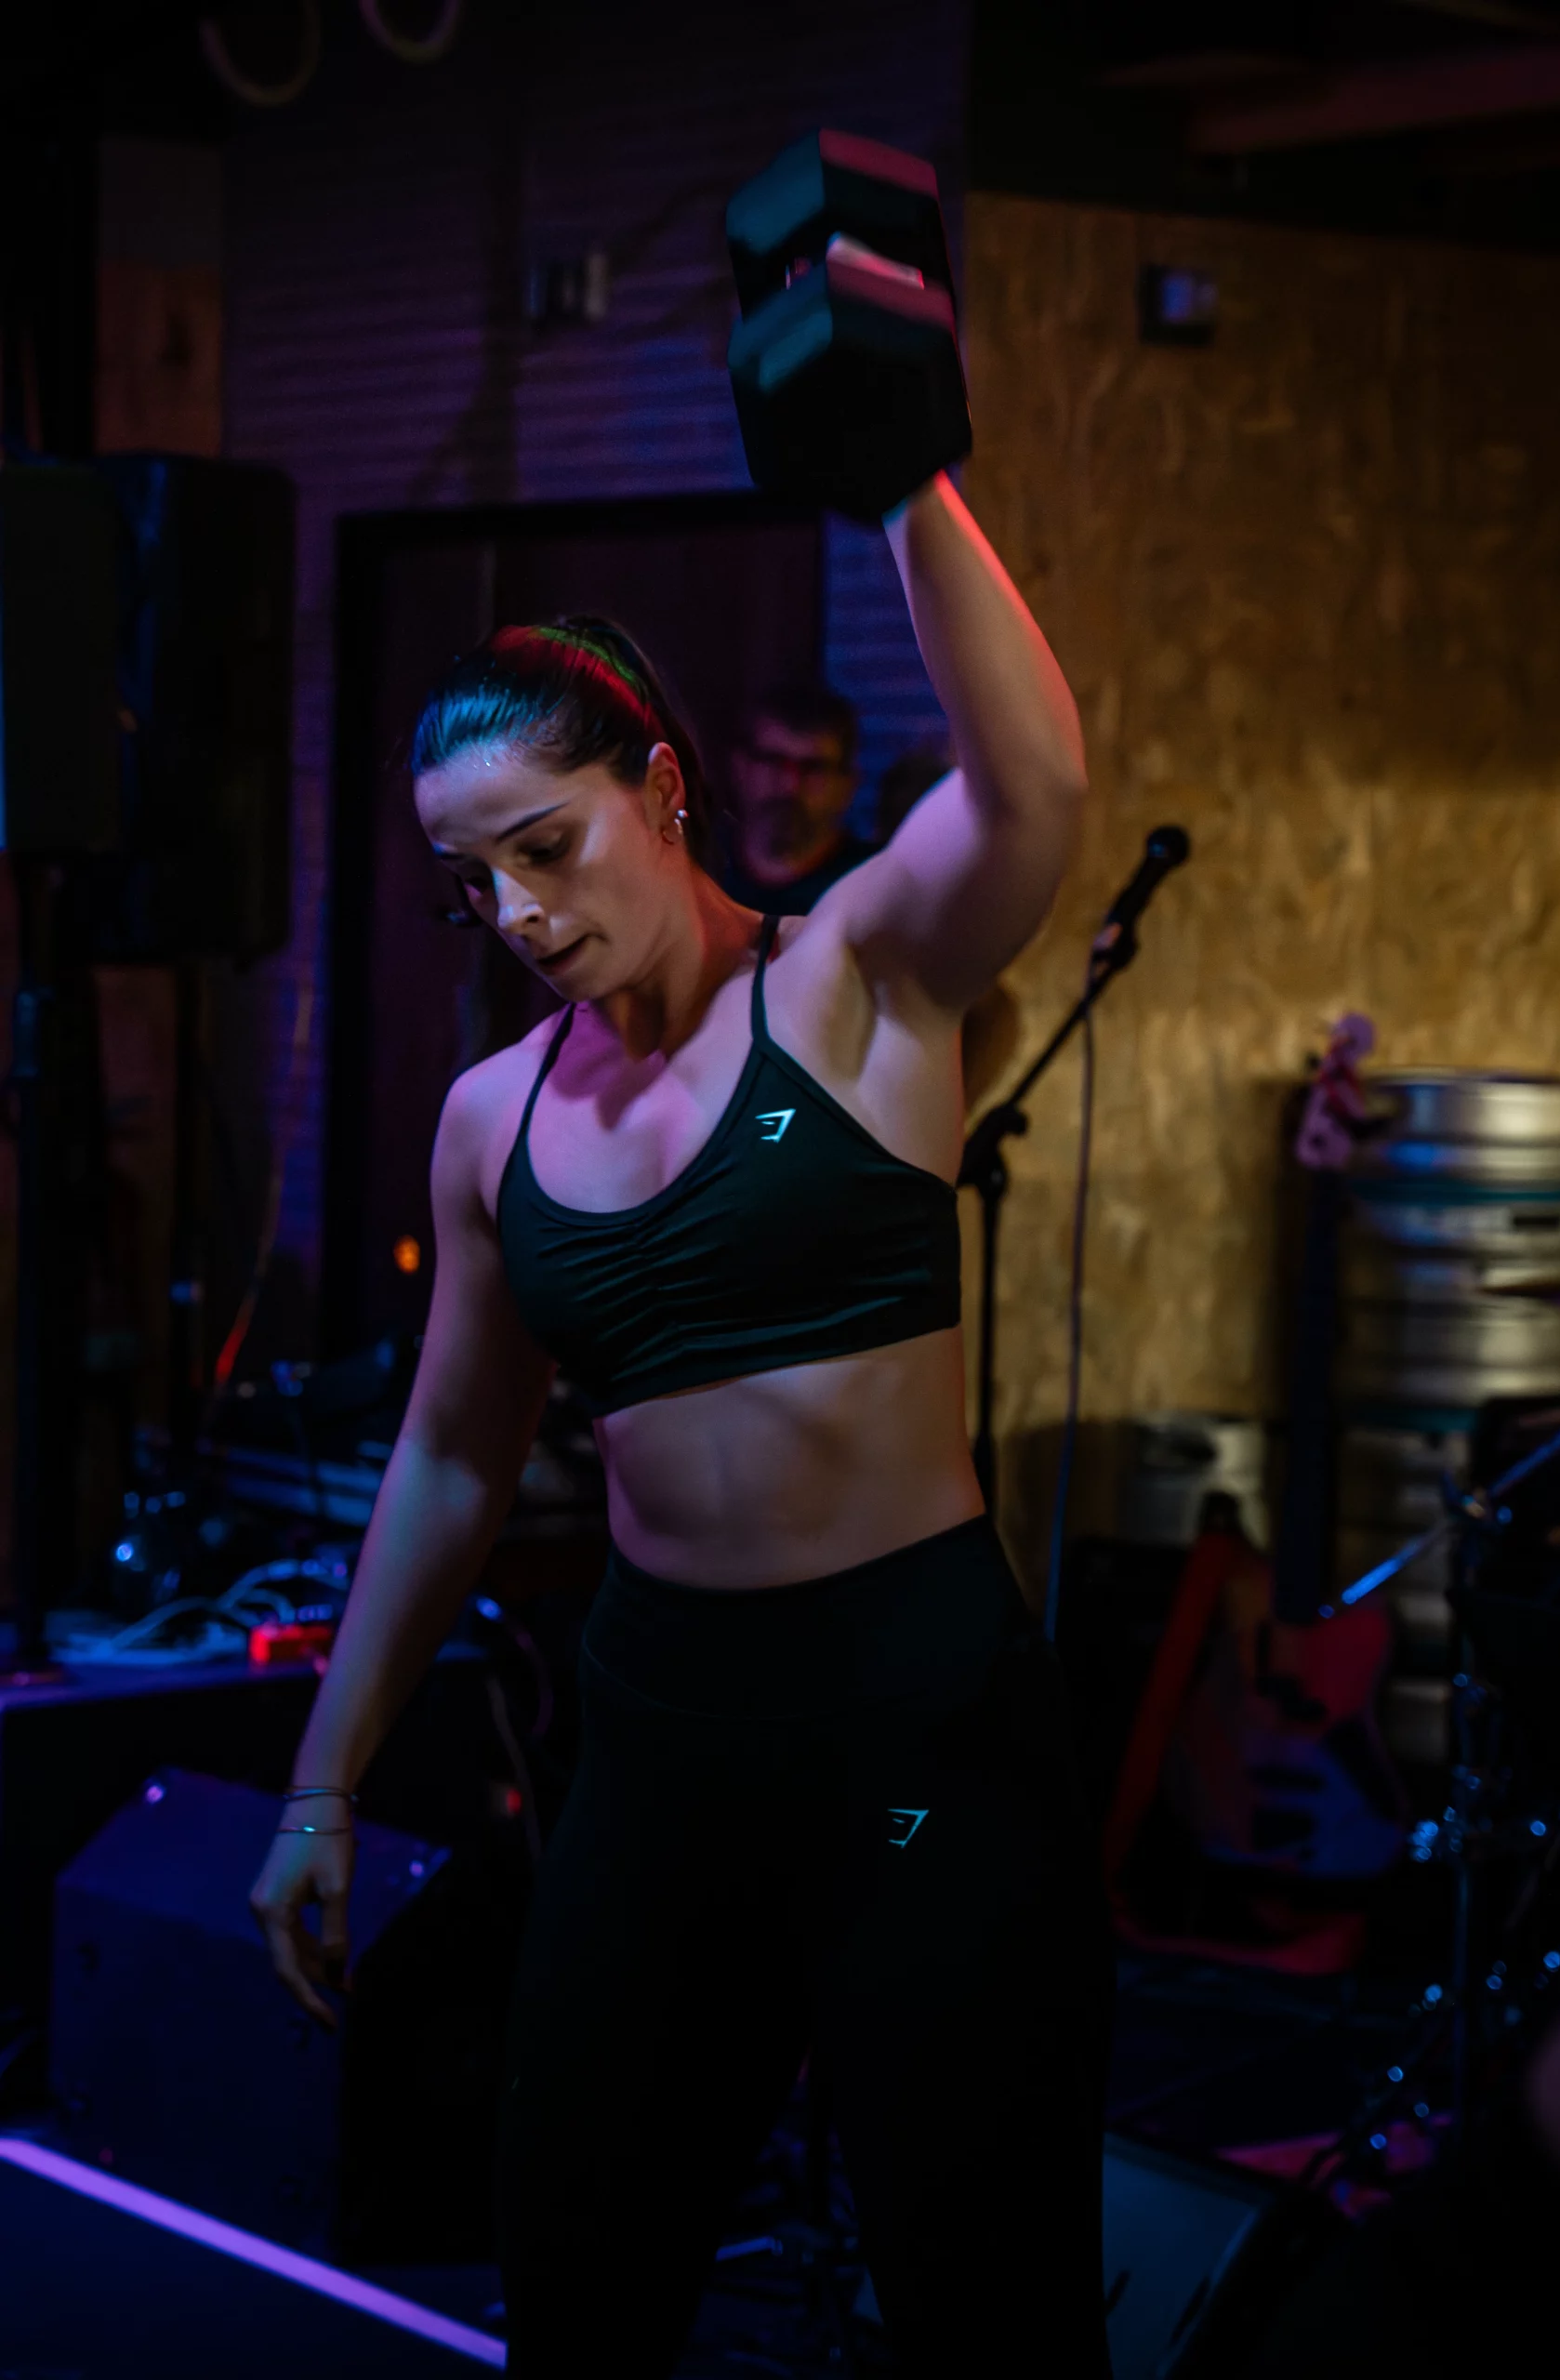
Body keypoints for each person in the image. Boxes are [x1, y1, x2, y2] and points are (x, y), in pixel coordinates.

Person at [248, 475, 1106, 2379]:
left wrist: (898, 479)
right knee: (581, 2261)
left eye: (546, 846)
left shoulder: (853, 976)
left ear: (659, 785)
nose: (519, 913)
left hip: (912, 1718)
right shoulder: (493, 1117)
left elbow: (1030, 783)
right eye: (470, 881)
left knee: (985, 2287)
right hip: (661, 1725)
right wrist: (324, 1776)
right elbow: (456, 1456)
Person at [712, 681, 872, 915]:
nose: (790, 785)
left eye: (813, 767)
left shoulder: (872, 889)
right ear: (740, 768)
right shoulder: (694, 871)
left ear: (847, 785)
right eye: (774, 762)